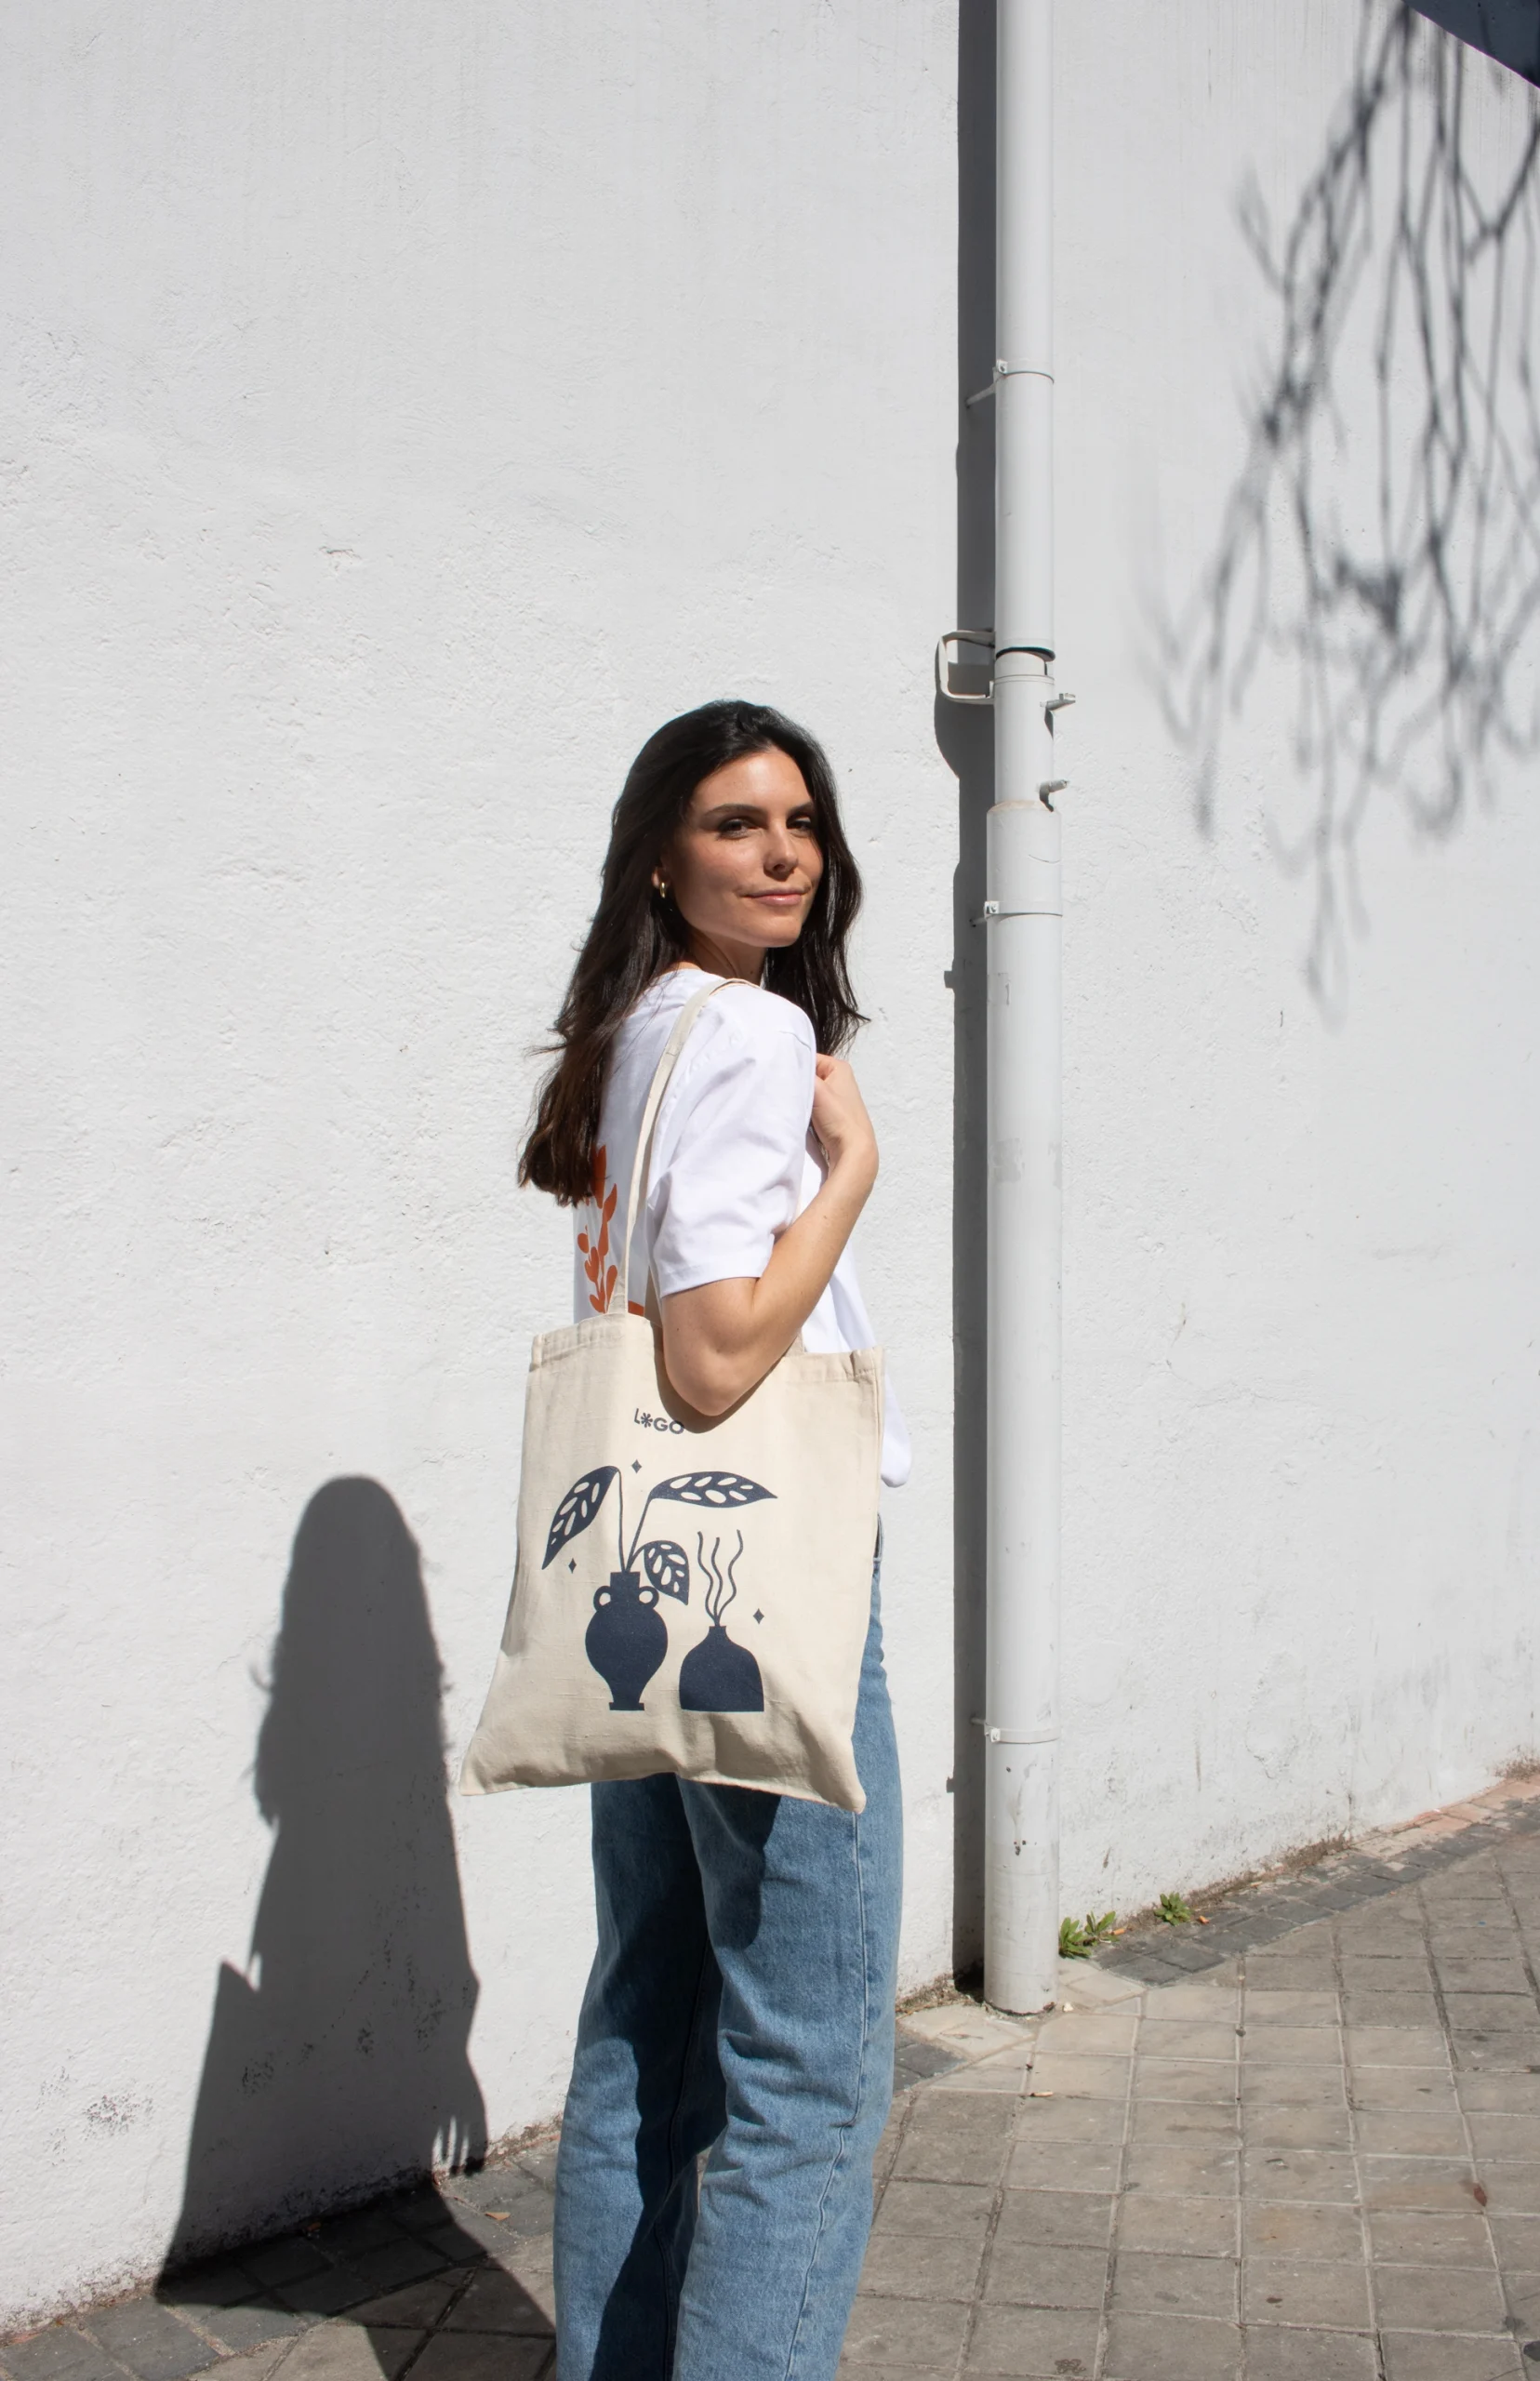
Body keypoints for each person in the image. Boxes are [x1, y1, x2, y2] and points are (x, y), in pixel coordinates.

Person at [519, 698, 909, 2381]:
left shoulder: (632, 1033)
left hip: (635, 1582)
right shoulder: (748, 1042)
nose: (783, 855)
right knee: (809, 2060)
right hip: (763, 1584)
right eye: (738, 824)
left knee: (647, 2018)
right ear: (660, 857)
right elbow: (712, 1350)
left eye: (801, 822)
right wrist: (851, 1177)